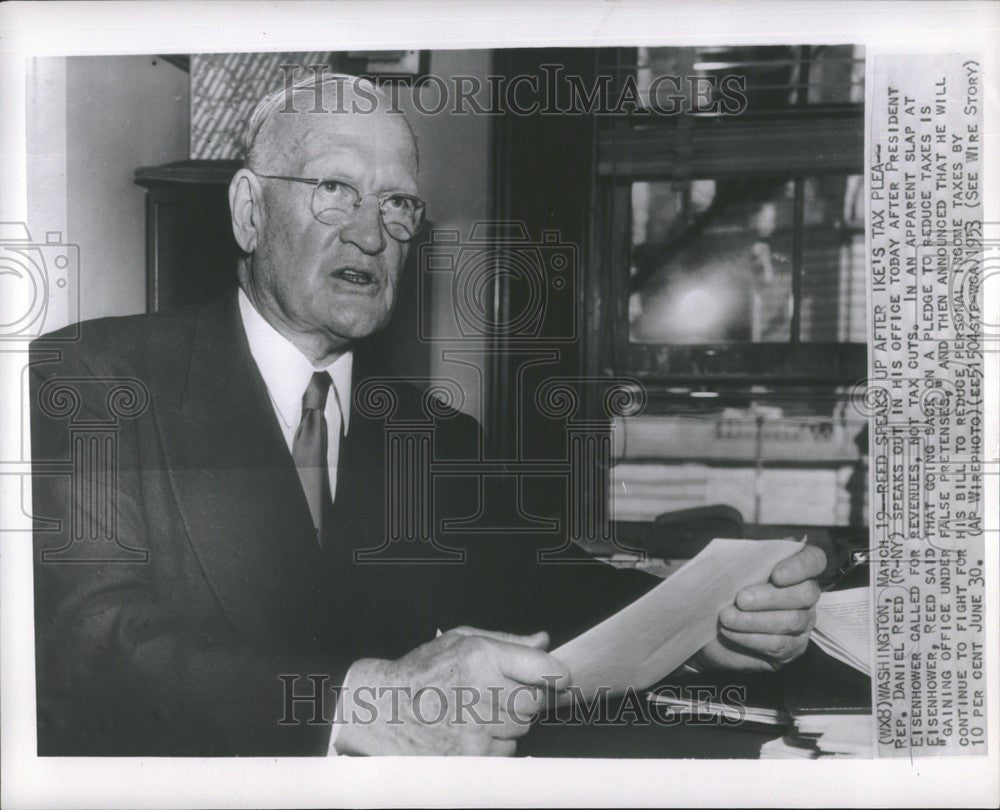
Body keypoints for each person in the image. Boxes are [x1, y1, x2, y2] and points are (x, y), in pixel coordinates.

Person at [30, 73, 825, 757]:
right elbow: (87, 650)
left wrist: (709, 633)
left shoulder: (438, 438)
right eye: (335, 189)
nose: (372, 233)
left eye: (400, 204)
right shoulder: (96, 379)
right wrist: (365, 704)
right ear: (247, 210)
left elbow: (552, 592)